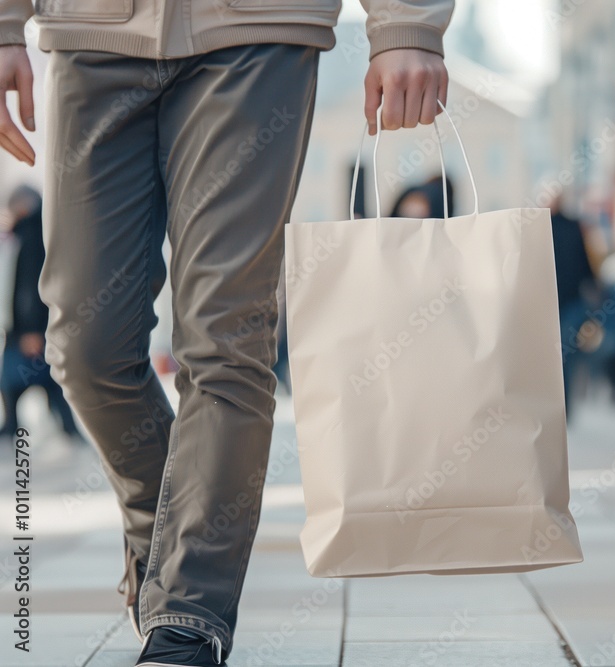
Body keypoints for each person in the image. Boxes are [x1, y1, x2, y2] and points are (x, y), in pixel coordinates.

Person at [0, 1, 454, 665]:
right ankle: (167, 542)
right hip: (93, 29)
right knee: (84, 348)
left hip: (256, 34)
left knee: (225, 338)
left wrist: (406, 24)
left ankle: (189, 615)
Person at [0, 185, 81, 445]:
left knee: (23, 378)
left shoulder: (30, 235)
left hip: (29, 328)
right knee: (46, 378)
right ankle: (66, 429)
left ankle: (14, 427)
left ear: (21, 208)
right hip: (35, 326)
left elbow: (28, 287)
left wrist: (30, 329)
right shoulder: (42, 232)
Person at [550, 195, 596, 419]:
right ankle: (560, 406)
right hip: (558, 301)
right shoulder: (540, 227)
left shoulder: (567, 226)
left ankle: (562, 406)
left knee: (562, 356)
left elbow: (583, 259)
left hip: (564, 301)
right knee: (560, 356)